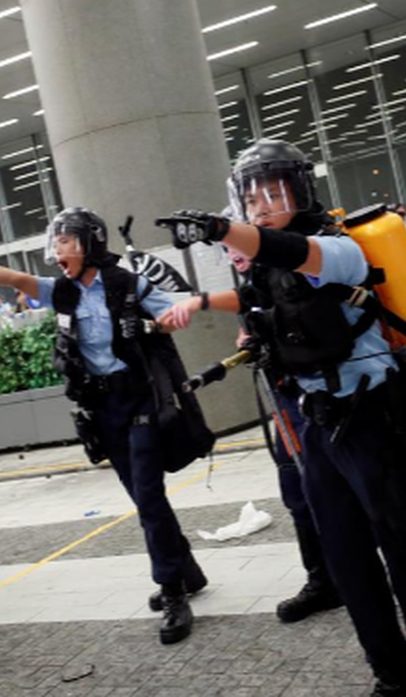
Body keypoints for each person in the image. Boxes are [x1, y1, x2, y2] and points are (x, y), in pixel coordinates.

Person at [157, 140, 406, 697]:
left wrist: (221, 229)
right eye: (252, 197)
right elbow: (265, 302)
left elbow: (296, 253)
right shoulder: (260, 270)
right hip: (315, 428)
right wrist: (245, 324)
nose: (263, 204)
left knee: (403, 552)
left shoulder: (335, 249)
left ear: (302, 191)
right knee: (347, 562)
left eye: (275, 191)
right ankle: (392, 678)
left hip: (371, 419)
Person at [0, 208, 208, 645]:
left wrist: (154, 322)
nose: (58, 248)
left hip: (138, 396)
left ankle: (173, 589)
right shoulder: (61, 291)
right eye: (57, 240)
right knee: (144, 498)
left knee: (149, 493)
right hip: (103, 408)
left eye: (67, 239)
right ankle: (187, 571)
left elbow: (177, 310)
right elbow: (14, 280)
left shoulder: (127, 283)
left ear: (91, 243)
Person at [157, 242, 344, 625]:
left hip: (316, 404)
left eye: (238, 245)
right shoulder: (253, 287)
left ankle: (354, 573)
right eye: (227, 249)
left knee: (332, 489)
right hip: (285, 409)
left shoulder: (291, 278)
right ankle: (323, 579)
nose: (233, 255)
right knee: (296, 493)